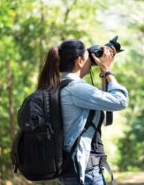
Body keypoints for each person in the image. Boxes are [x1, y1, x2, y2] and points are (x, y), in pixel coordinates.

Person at [36, 39, 128, 185]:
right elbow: (120, 101)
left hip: (73, 171)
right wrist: (107, 70)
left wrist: (103, 75)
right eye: (87, 56)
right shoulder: (77, 89)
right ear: (79, 61)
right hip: (86, 174)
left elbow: (104, 106)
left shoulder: (59, 86)